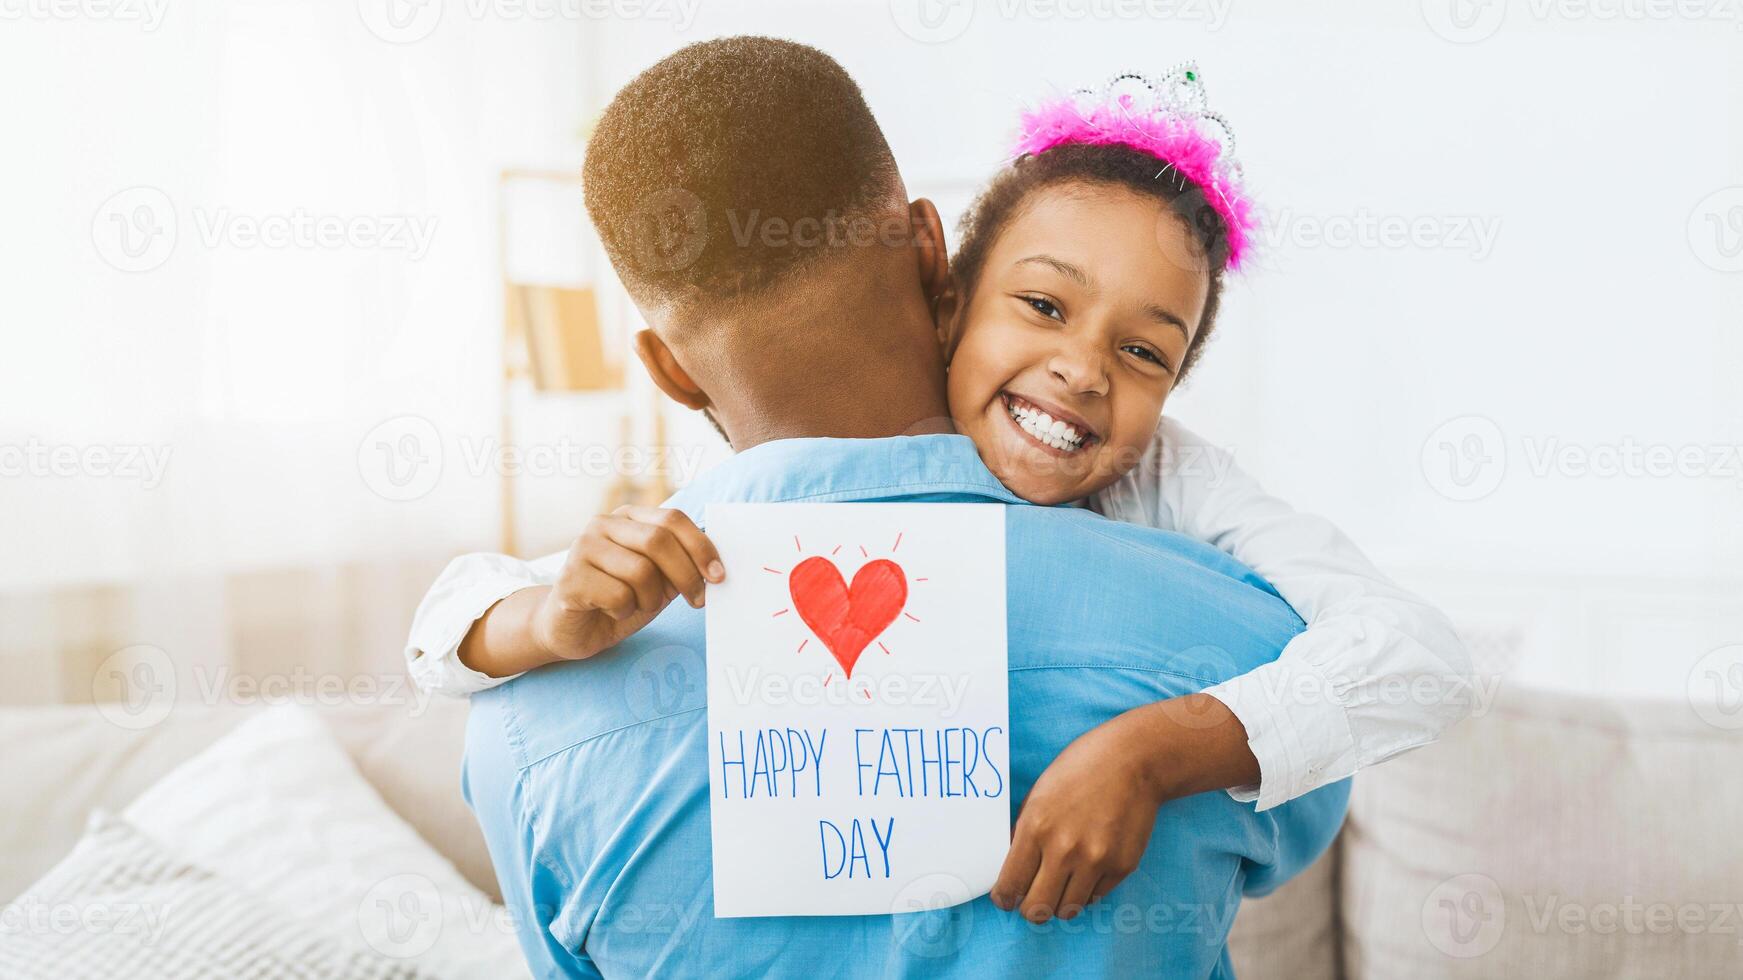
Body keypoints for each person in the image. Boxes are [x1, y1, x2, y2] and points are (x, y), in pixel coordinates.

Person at [445, 37, 1356, 977]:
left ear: (670, 372)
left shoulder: (524, 729)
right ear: (933, 252)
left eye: (1138, 351)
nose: (1081, 370)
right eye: (1048, 307)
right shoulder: (1256, 656)